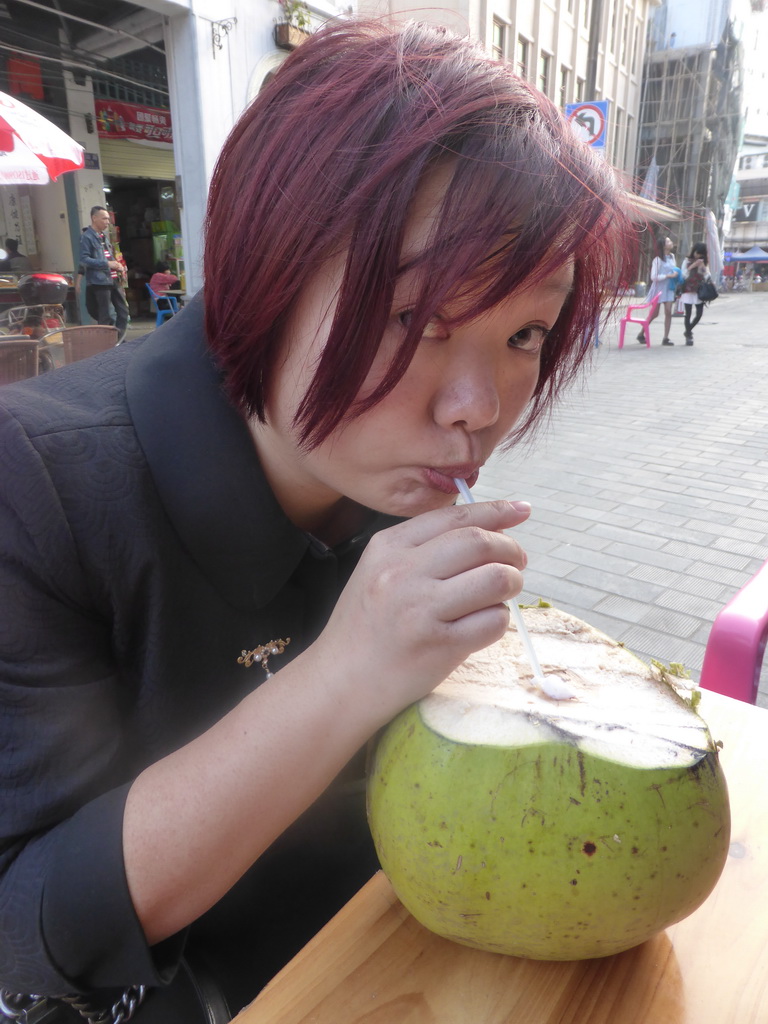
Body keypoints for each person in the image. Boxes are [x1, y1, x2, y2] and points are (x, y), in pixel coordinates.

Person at [0, 20, 635, 1022]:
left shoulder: (385, 481)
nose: (480, 405)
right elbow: (33, 925)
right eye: (414, 321)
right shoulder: (33, 484)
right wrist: (346, 670)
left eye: (524, 332)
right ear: (266, 267)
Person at [79, 205, 129, 342]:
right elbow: (84, 259)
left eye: (108, 219)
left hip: (113, 279)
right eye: (104, 219)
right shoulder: (87, 237)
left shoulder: (103, 237)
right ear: (94, 218)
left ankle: (117, 339)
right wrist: (107, 264)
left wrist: (118, 265)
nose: (108, 222)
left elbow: (109, 256)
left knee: (123, 311)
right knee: (105, 314)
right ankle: (106, 344)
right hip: (99, 281)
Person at [639, 234, 678, 346]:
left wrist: (675, 276)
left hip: (669, 288)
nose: (671, 243)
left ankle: (666, 338)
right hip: (659, 289)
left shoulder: (672, 257)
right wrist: (667, 276)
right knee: (654, 313)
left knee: (668, 311)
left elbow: (674, 269)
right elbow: (653, 277)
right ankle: (641, 333)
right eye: (668, 241)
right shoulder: (657, 260)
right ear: (663, 246)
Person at [679, 242, 710, 345]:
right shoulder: (687, 261)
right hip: (688, 290)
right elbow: (683, 274)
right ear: (694, 251)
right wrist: (692, 266)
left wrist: (703, 268)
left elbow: (706, 276)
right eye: (697, 253)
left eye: (701, 254)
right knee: (687, 314)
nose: (698, 256)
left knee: (699, 314)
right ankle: (689, 337)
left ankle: (688, 331)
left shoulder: (703, 262)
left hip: (699, 290)